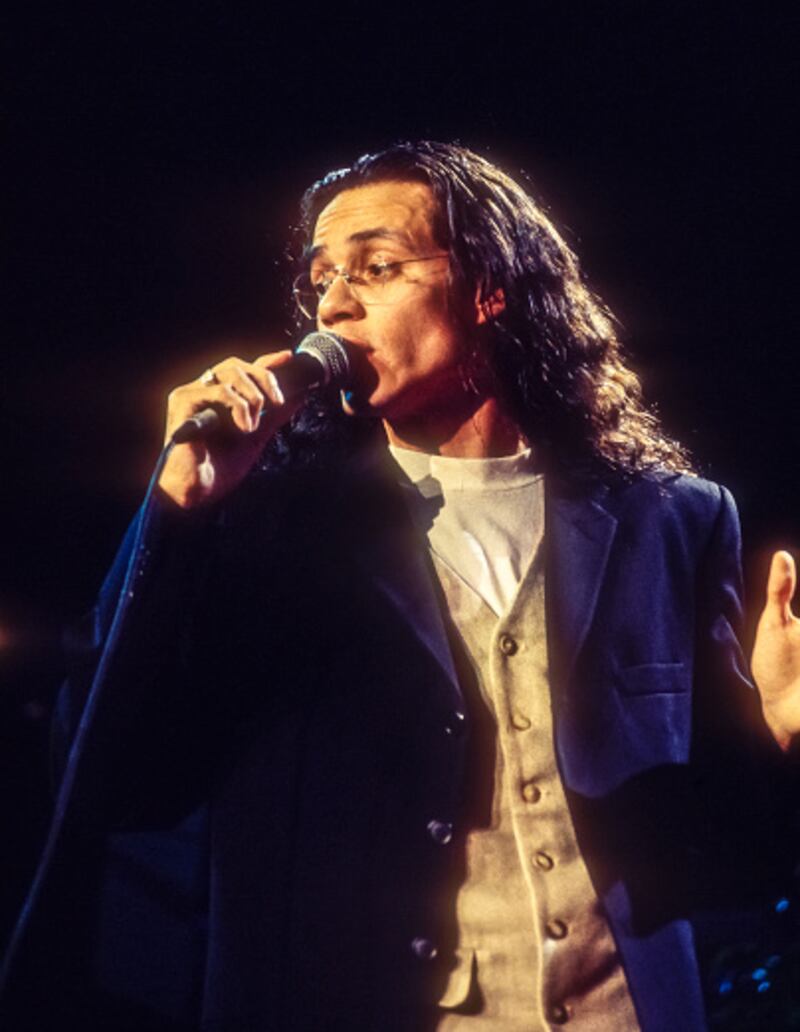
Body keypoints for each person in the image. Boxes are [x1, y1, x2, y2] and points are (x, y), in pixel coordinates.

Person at [3, 141, 800, 1031]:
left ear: (489, 287)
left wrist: (779, 731)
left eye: (376, 268)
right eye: (321, 280)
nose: (333, 304)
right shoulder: (267, 524)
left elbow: (726, 853)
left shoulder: (672, 518)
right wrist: (177, 513)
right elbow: (112, 783)